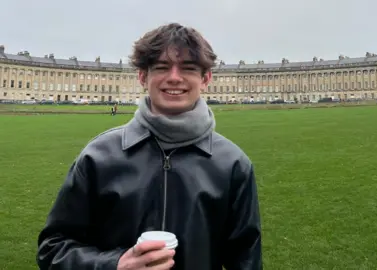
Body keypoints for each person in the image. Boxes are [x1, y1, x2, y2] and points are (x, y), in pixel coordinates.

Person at [36, 23, 262, 270]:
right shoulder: (99, 156)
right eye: (162, 67)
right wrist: (115, 265)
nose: (174, 78)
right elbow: (53, 248)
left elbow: (246, 260)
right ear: (143, 77)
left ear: (205, 78)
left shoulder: (233, 164)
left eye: (188, 68)